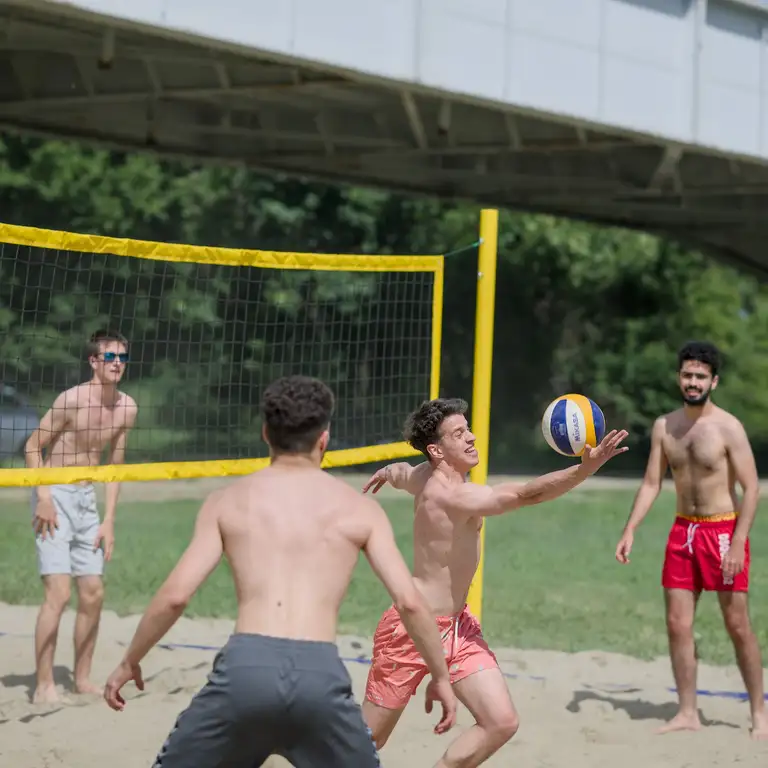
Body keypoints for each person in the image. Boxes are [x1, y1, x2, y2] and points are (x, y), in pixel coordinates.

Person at [103, 374, 458, 767]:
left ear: (265, 433)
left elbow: (175, 597)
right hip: (319, 678)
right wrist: (440, 677)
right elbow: (409, 602)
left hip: (244, 673)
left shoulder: (228, 501)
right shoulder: (359, 509)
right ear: (324, 438)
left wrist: (129, 660)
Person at [360, 397, 629, 767]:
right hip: (412, 629)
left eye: (467, 428)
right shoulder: (453, 494)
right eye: (459, 433)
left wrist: (386, 473)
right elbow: (525, 494)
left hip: (457, 627)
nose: (471, 437)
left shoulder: (423, 473)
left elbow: (402, 472)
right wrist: (584, 470)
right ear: (438, 450)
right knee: (367, 740)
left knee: (500, 722)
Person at [615, 340, 767, 739]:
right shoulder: (666, 426)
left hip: (722, 532)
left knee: (737, 625)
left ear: (713, 381)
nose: (693, 381)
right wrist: (631, 528)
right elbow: (651, 483)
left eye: (701, 376)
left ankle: (759, 713)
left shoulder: (729, 427)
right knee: (677, 624)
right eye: (687, 374)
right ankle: (687, 712)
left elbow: (752, 489)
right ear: (679, 378)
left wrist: (737, 542)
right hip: (683, 531)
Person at [25, 328, 137, 703]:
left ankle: (82, 678)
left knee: (93, 593)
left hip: (87, 499)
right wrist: (43, 496)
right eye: (111, 357)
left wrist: (109, 520)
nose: (118, 363)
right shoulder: (71, 400)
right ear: (94, 361)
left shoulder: (127, 407)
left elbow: (114, 468)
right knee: (58, 594)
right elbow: (31, 447)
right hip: (53, 493)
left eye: (122, 357)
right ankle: (44, 684)